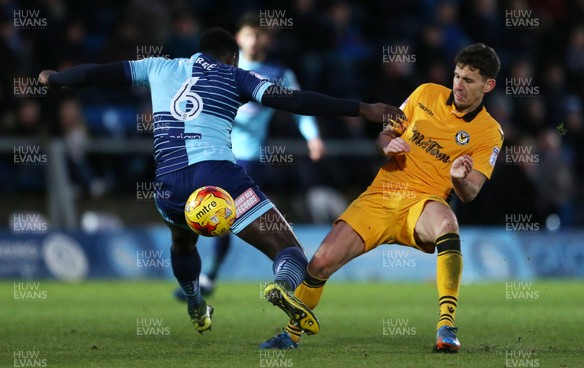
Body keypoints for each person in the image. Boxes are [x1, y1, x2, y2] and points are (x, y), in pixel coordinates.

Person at [38, 28, 404, 335]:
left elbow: (96, 73)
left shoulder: (156, 67)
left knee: (183, 245)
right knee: (289, 250)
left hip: (168, 183)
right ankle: (281, 286)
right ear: (233, 57)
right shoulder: (236, 76)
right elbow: (294, 100)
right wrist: (362, 108)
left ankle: (197, 307)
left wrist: (55, 79)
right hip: (219, 176)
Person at [259, 43, 503, 352]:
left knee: (447, 223)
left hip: (423, 203)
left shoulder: (489, 132)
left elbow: (472, 191)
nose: (459, 85)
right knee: (320, 264)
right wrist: (386, 144)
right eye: (456, 76)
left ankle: (446, 326)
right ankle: (290, 336)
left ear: (488, 85)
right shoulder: (425, 93)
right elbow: (386, 133)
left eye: (469, 80)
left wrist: (458, 178)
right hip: (381, 195)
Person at [174, 13, 325, 299]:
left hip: (248, 158)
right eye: (249, 34)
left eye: (260, 35)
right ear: (238, 38)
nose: (255, 40)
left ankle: (210, 277)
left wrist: (313, 136)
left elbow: (298, 104)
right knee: (207, 214)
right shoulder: (217, 68)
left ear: (267, 39)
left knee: (222, 216)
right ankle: (205, 275)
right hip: (207, 153)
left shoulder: (277, 72)